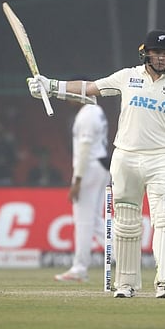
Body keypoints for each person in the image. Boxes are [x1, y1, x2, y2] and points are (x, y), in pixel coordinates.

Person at [28, 29, 165, 298]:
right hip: (125, 157)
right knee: (126, 223)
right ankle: (126, 283)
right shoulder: (127, 77)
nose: (161, 58)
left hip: (161, 158)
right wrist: (51, 86)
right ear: (145, 53)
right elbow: (89, 88)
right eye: (156, 52)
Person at [54, 94, 111, 282]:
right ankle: (124, 256)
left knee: (83, 221)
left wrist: (77, 181)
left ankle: (79, 267)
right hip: (101, 166)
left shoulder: (86, 114)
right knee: (94, 220)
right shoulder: (98, 110)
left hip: (89, 168)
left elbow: (85, 148)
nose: (69, 98)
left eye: (73, 93)